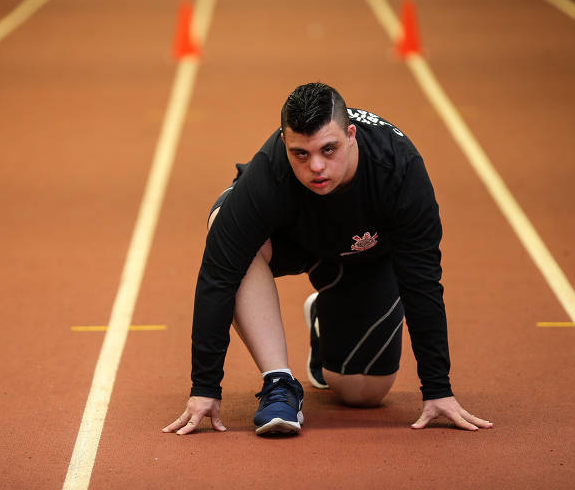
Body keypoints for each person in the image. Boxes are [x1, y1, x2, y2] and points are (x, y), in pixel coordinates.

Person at [162, 82, 493, 435]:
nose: (316, 166)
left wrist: (437, 387)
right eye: (300, 154)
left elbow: (422, 278)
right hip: (292, 243)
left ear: (351, 135)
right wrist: (205, 387)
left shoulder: (399, 169)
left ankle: (323, 318)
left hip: (364, 255)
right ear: (285, 142)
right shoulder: (270, 172)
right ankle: (279, 384)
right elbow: (219, 274)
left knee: (364, 392)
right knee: (224, 226)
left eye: (328, 149)